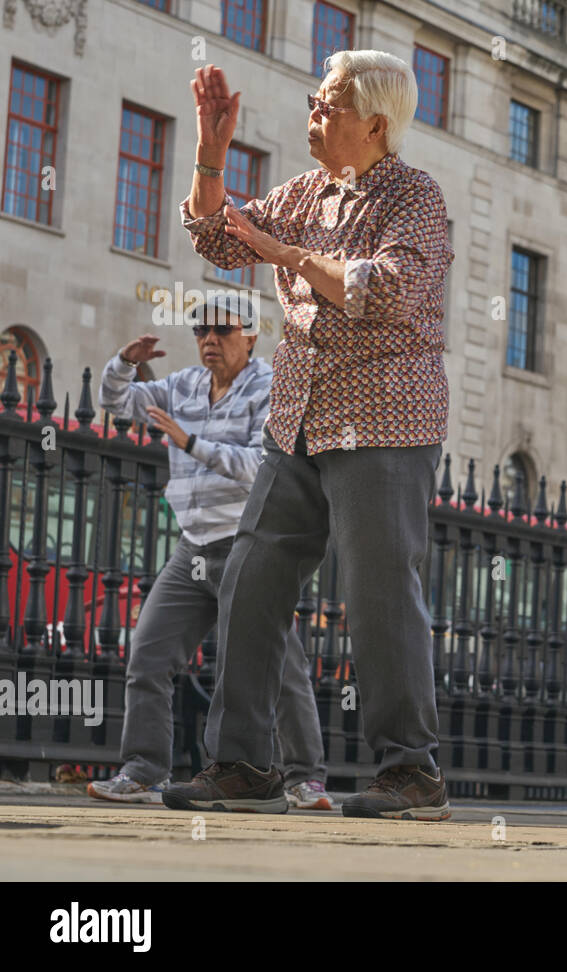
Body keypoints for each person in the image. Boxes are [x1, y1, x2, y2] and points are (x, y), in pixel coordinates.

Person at [161, 53, 453, 819]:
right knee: (250, 577)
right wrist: (211, 155)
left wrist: (286, 255)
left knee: (379, 593)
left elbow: (383, 289)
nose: (313, 113)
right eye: (315, 100)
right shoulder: (306, 191)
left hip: (385, 419)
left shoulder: (414, 196)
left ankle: (409, 773)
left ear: (377, 125)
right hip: (297, 419)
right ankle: (245, 764)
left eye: (329, 104)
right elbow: (218, 236)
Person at [91, 294, 330, 810]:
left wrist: (190, 442)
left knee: (278, 668)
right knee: (149, 655)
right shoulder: (182, 386)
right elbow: (118, 403)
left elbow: (262, 464)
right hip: (192, 547)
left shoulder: (270, 387)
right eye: (201, 331)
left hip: (250, 544)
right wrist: (125, 363)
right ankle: (143, 771)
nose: (209, 340)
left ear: (250, 335)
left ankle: (305, 778)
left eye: (222, 332)